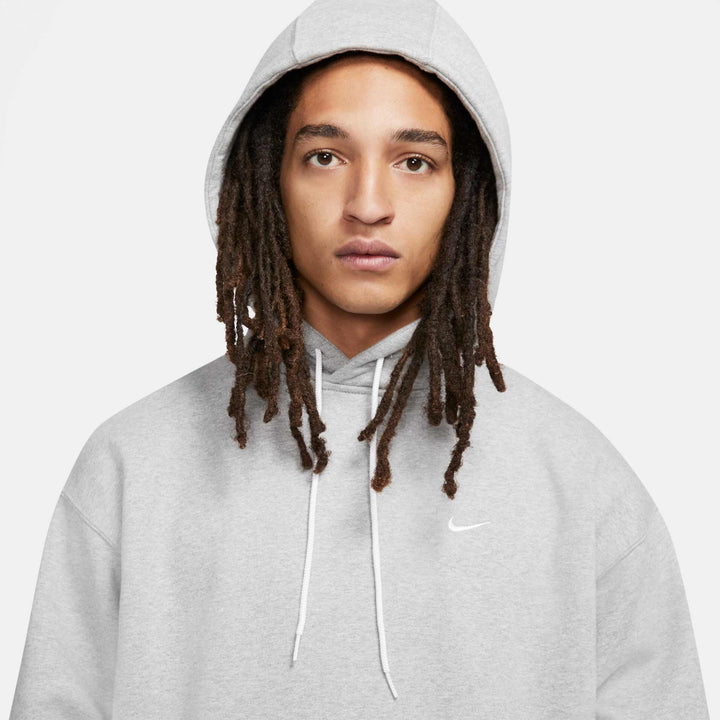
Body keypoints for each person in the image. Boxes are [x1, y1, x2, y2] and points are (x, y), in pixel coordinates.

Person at [8, 0, 711, 717]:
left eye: (414, 161)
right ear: (267, 180)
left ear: (466, 191)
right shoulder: (133, 463)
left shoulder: (581, 480)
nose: (368, 204)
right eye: (325, 156)